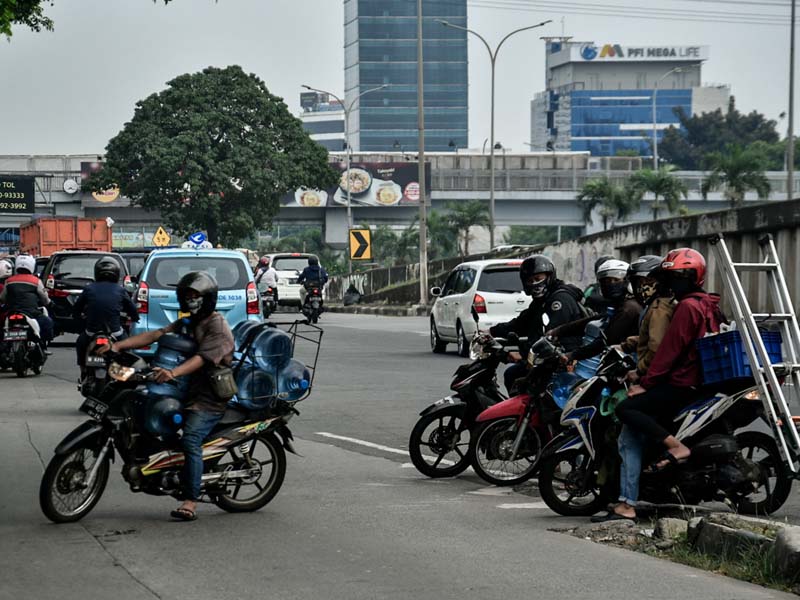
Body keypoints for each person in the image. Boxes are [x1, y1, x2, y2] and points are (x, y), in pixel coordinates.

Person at [103, 271, 234, 522]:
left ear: (207, 299)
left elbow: (201, 359)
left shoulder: (217, 326)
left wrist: (171, 372)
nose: (190, 300)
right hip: (184, 388)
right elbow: (156, 334)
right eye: (187, 296)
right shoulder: (189, 321)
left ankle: (191, 500)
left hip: (208, 396)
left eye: (195, 296)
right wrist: (117, 346)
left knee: (191, 440)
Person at [612, 248, 725, 521]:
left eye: (680, 276)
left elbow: (668, 350)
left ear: (692, 277)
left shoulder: (684, 307)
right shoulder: (705, 302)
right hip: (697, 379)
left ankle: (676, 446)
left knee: (626, 409)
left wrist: (646, 382)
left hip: (681, 381)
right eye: (672, 276)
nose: (675, 281)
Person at [591, 254, 676, 523]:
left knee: (628, 439)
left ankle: (628, 503)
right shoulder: (652, 306)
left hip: (655, 381)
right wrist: (626, 345)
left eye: (645, 281)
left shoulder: (659, 308)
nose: (641, 286)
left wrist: (638, 373)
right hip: (652, 377)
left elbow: (656, 347)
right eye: (638, 281)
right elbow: (645, 339)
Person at [489, 255, 585, 394]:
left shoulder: (559, 300)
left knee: (513, 374)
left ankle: (528, 414)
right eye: (530, 280)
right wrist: (491, 331)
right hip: (549, 358)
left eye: (538, 279)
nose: (535, 283)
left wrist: (522, 354)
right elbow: (521, 323)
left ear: (549, 276)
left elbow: (548, 336)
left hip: (565, 360)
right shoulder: (541, 301)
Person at [549, 259, 642, 365]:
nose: (611, 284)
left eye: (616, 280)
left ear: (627, 280)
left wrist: (572, 355)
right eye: (606, 281)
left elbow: (605, 341)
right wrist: (559, 331)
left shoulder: (628, 308)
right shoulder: (621, 304)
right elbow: (599, 318)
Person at [73, 257, 139, 375]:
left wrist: (77, 317)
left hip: (92, 332)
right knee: (126, 348)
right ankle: (124, 372)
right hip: (115, 332)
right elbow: (132, 308)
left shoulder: (89, 288)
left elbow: (77, 308)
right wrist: (135, 318)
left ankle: (83, 369)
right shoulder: (120, 290)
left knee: (80, 342)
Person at [0, 254, 54, 348]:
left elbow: (3, 298)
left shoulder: (8, 281)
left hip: (12, 312)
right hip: (31, 313)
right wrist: (51, 305)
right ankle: (43, 346)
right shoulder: (36, 281)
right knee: (48, 322)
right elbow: (45, 299)